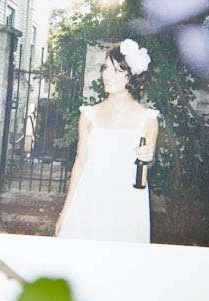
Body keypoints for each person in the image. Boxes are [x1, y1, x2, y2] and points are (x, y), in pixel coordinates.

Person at [55, 39, 159, 244]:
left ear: (132, 75)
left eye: (117, 70)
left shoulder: (148, 119)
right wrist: (65, 212)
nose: (107, 75)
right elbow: (80, 163)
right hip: (89, 198)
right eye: (105, 68)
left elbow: (147, 164)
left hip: (127, 203)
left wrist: (149, 158)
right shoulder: (89, 115)